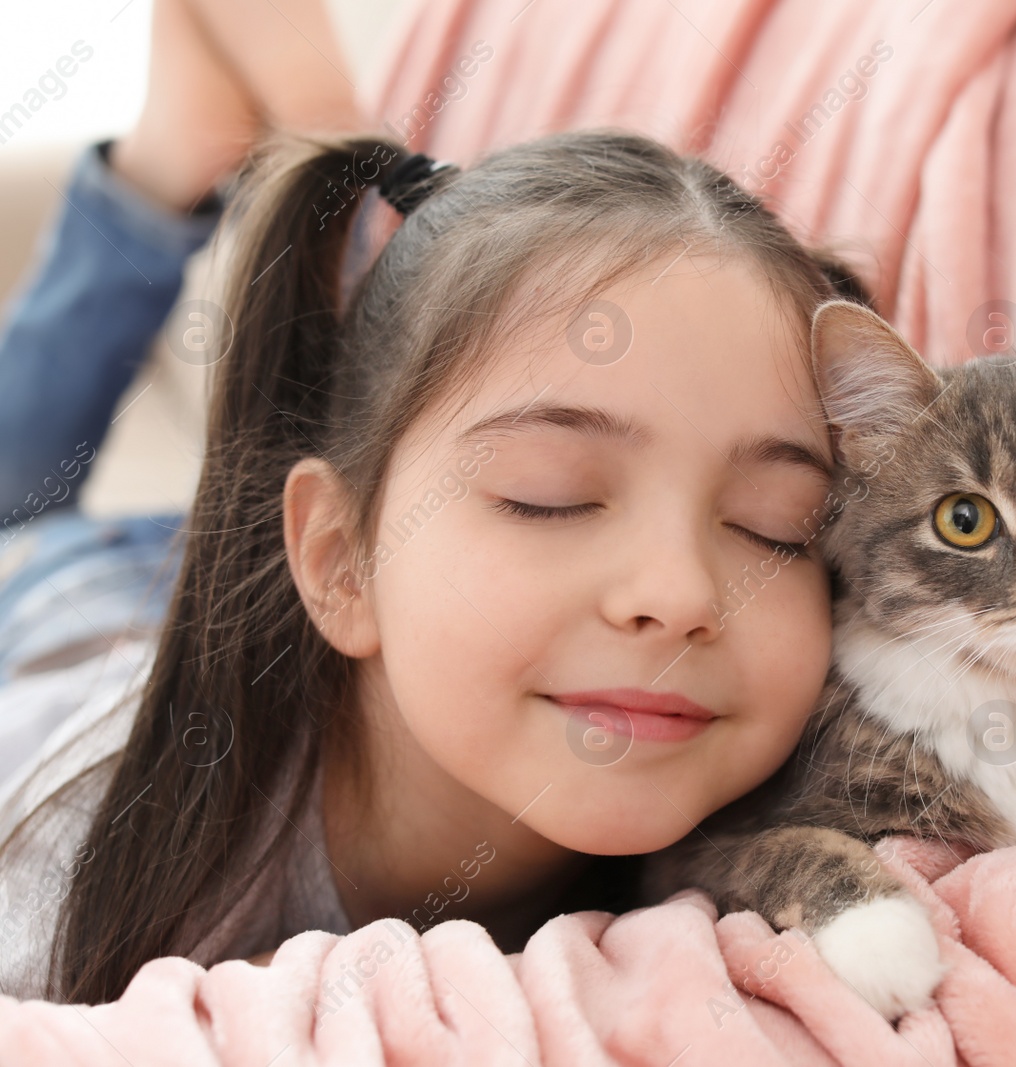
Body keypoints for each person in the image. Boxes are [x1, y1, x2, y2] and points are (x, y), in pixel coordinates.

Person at [0, 0, 866, 1005]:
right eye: (551, 497)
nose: (679, 594)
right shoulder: (64, 864)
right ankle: (175, 159)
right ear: (339, 559)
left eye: (776, 526)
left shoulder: (795, 834)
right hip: (68, 609)